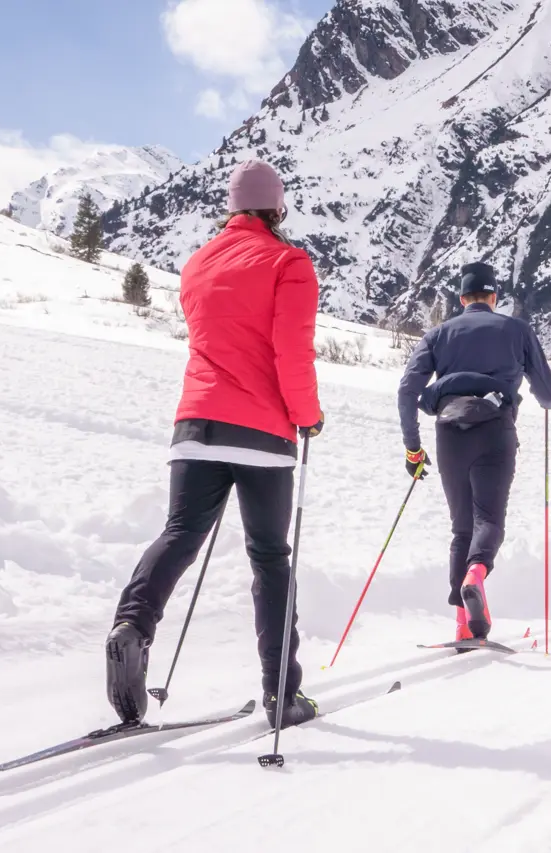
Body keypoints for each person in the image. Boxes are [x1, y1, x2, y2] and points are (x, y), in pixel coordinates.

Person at [106, 159, 325, 730]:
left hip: (195, 426)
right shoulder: (288, 262)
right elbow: (290, 351)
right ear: (277, 209)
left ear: (231, 207)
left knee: (180, 534)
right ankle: (282, 694)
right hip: (263, 433)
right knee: (270, 558)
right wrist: (307, 416)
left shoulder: (196, 264)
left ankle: (131, 626)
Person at [397, 262, 551, 642]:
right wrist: (542, 398)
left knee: (461, 529)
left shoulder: (438, 333)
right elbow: (548, 394)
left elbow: (407, 390)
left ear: (461, 298)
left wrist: (412, 449)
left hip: (449, 432)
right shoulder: (516, 329)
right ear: (494, 297)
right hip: (495, 429)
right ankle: (476, 574)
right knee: (489, 521)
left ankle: (465, 626)